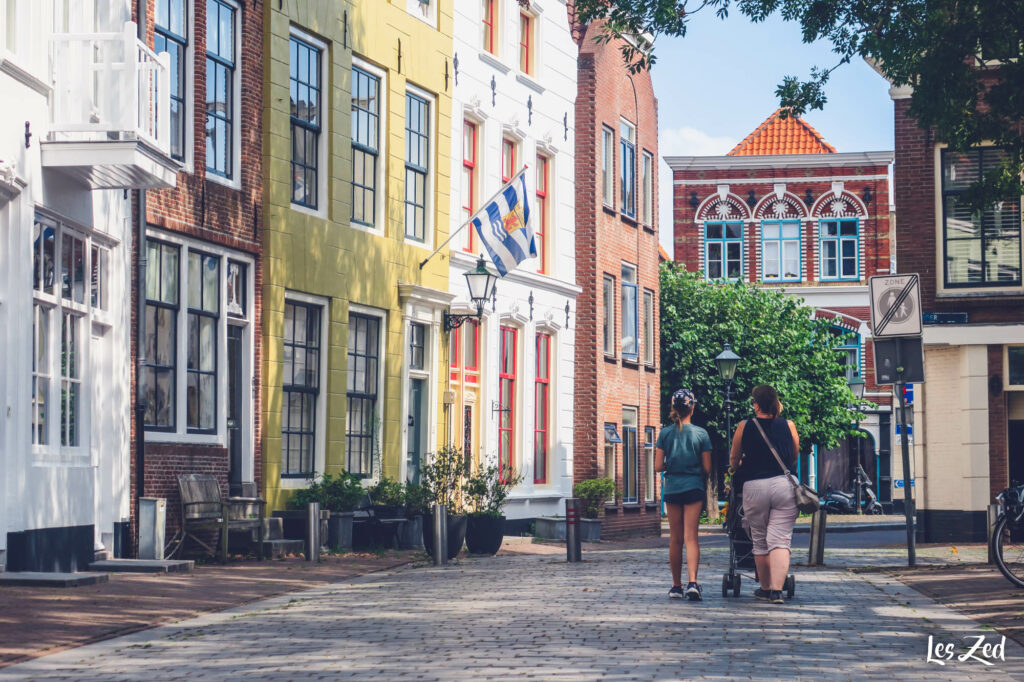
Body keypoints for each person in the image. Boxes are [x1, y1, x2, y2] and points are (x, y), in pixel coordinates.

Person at [729, 384, 800, 605]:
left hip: (754, 486)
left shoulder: (744, 426)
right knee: (780, 540)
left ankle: (766, 588)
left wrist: (738, 465)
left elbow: (734, 459)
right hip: (783, 485)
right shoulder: (789, 425)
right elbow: (793, 457)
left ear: (757, 405)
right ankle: (778, 592)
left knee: (759, 539)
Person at [656, 389, 712, 601]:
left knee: (675, 538)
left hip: (672, 488)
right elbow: (707, 467)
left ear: (673, 408)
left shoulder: (665, 434)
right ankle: (693, 582)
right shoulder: (701, 434)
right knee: (691, 538)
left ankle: (676, 586)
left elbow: (657, 466)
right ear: (693, 407)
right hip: (693, 487)